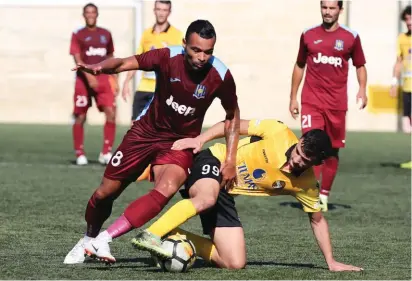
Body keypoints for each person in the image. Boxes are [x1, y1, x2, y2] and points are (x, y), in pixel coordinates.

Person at [63, 20, 240, 265]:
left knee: (167, 188)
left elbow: (233, 115)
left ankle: (104, 238)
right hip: (145, 133)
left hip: (178, 144)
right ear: (184, 44)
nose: (202, 57)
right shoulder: (167, 56)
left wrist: (231, 159)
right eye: (196, 50)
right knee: (105, 194)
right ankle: (88, 238)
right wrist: (99, 68)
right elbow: (125, 62)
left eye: (208, 52)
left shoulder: (220, 75)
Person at [131, 119, 363, 272]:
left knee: (234, 262)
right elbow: (231, 125)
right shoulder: (278, 132)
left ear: (316, 163)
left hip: (224, 193)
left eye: (305, 160)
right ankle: (151, 234)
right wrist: (200, 140)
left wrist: (331, 262)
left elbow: (317, 220)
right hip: (214, 160)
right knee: (206, 197)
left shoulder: (306, 184)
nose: (297, 160)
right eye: (299, 152)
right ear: (300, 142)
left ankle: (172, 233)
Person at [289, 0, 367, 211]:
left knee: (331, 152)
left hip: (336, 105)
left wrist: (362, 88)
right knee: (310, 145)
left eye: (332, 8)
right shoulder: (308, 34)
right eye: (324, 7)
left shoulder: (351, 37)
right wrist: (293, 97)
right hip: (312, 101)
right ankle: (310, 193)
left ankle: (323, 196)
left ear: (340, 10)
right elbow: (299, 65)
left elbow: (360, 65)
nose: (327, 12)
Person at [69, 3, 118, 166]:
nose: (90, 15)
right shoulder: (78, 34)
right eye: (87, 12)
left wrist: (115, 79)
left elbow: (111, 57)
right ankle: (79, 153)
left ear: (97, 14)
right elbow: (77, 58)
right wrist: (89, 77)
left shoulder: (106, 34)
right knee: (81, 116)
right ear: (84, 15)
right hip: (83, 79)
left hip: (103, 77)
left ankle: (106, 152)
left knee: (111, 112)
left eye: (93, 12)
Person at [122, 1, 183, 122]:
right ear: (154, 10)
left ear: (169, 12)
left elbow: (181, 64)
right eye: (159, 9)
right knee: (134, 125)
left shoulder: (177, 35)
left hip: (164, 89)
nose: (161, 13)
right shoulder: (146, 34)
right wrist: (126, 81)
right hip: (145, 86)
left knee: (161, 128)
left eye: (164, 10)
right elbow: (137, 59)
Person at [390, 5, 411, 170]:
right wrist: (394, 83)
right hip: (406, 88)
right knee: (407, 126)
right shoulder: (402, 38)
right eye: (407, 19)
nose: (409, 22)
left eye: (411, 18)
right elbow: (398, 62)